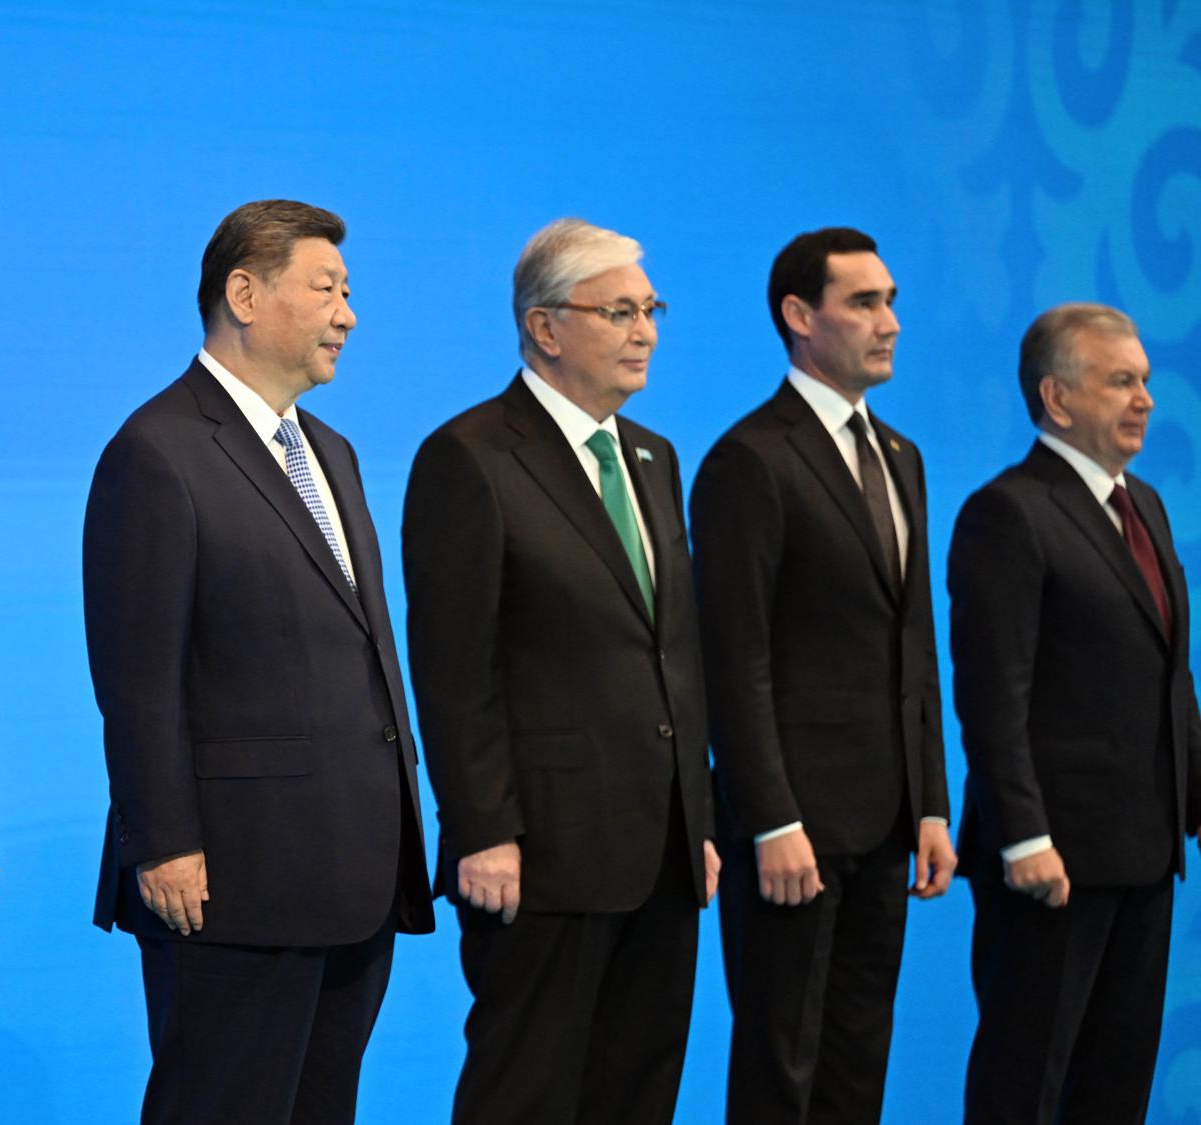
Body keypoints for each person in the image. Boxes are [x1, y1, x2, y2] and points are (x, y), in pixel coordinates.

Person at [82, 199, 434, 1124]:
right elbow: (138, 678)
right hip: (233, 884)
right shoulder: (156, 450)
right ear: (244, 294)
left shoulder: (332, 452)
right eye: (327, 289)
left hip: (354, 875)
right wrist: (163, 840)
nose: (348, 314)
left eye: (347, 292)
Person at [402, 218, 717, 1124]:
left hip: (661, 850)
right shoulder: (470, 456)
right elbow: (454, 668)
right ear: (544, 327)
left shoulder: (654, 456)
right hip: (540, 851)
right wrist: (482, 828)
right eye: (619, 312)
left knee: (638, 1092)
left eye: (650, 310)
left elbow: (671, 652)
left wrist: (696, 815)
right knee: (527, 1094)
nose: (645, 332)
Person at [690, 226, 955, 1123]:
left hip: (886, 823)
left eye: (892, 302)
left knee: (856, 1059)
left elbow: (913, 642)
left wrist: (930, 802)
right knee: (782, 1064)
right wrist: (771, 817)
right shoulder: (750, 458)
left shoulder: (902, 456)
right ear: (800, 316)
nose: (890, 322)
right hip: (793, 828)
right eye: (865, 302)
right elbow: (735, 658)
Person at [948, 303, 1200, 1124]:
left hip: (1145, 854)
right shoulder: (1008, 512)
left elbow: (1166, 673)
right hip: (1049, 866)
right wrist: (1024, 836)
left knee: (1114, 1089)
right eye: (1121, 381)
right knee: (1024, 1085)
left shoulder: (1145, 505)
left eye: (1146, 381)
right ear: (1057, 398)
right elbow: (993, 697)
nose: (1146, 399)